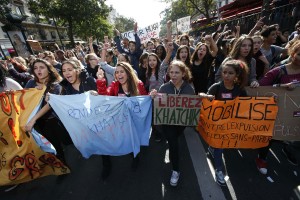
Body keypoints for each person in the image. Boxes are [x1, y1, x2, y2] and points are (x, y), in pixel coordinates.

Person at [200, 59, 249, 186]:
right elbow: (202, 97)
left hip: (230, 125)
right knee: (220, 147)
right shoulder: (216, 87)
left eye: (230, 73)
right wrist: (206, 97)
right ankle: (219, 170)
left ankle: (212, 149)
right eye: (224, 72)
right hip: (216, 125)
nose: (226, 75)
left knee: (219, 146)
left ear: (236, 75)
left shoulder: (239, 90)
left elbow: (247, 105)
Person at [95, 61, 148, 180]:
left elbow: (144, 99)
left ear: (128, 73)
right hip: (120, 121)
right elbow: (104, 96)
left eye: (121, 71)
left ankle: (135, 157)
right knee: (125, 139)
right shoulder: (114, 85)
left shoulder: (138, 84)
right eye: (117, 72)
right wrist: (100, 81)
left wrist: (152, 96)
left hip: (134, 120)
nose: (119, 74)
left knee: (134, 139)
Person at [256, 40, 300, 174]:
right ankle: (262, 158)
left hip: (294, 114)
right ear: (292, 54)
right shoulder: (279, 71)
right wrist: (280, 87)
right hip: (275, 113)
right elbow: (261, 87)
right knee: (270, 136)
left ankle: (288, 148)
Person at [150, 60, 195, 187]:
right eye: (171, 72)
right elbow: (158, 106)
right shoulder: (164, 87)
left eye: (177, 72)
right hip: (167, 124)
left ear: (183, 74)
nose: (173, 75)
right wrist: (153, 96)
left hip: (181, 124)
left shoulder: (189, 88)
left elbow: (192, 107)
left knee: (175, 138)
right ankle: (176, 170)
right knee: (173, 143)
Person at [24, 59, 68, 166]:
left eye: (42, 67)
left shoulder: (55, 85)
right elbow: (23, 98)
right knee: (55, 146)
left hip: (56, 120)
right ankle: (63, 167)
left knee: (68, 141)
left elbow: (49, 105)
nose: (38, 70)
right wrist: (33, 92)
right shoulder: (31, 83)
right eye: (35, 68)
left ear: (49, 70)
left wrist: (32, 120)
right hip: (42, 123)